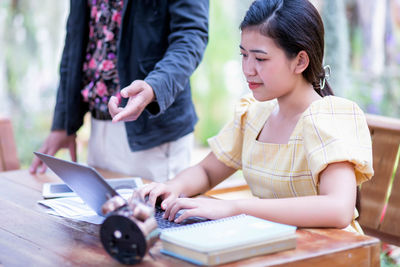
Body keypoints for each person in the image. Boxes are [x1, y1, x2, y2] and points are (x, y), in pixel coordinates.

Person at [138, 0, 373, 232]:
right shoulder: (254, 115)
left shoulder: (328, 117)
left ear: (300, 61)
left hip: (331, 252)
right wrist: (173, 187)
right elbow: (207, 172)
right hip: (277, 246)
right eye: (244, 55)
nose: (248, 69)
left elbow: (338, 208)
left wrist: (236, 208)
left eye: (260, 59)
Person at [29, 0, 209, 182]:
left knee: (151, 209)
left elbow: (191, 36)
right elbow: (75, 41)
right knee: (99, 207)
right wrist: (63, 122)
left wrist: (154, 87)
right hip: (98, 127)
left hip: (153, 134)